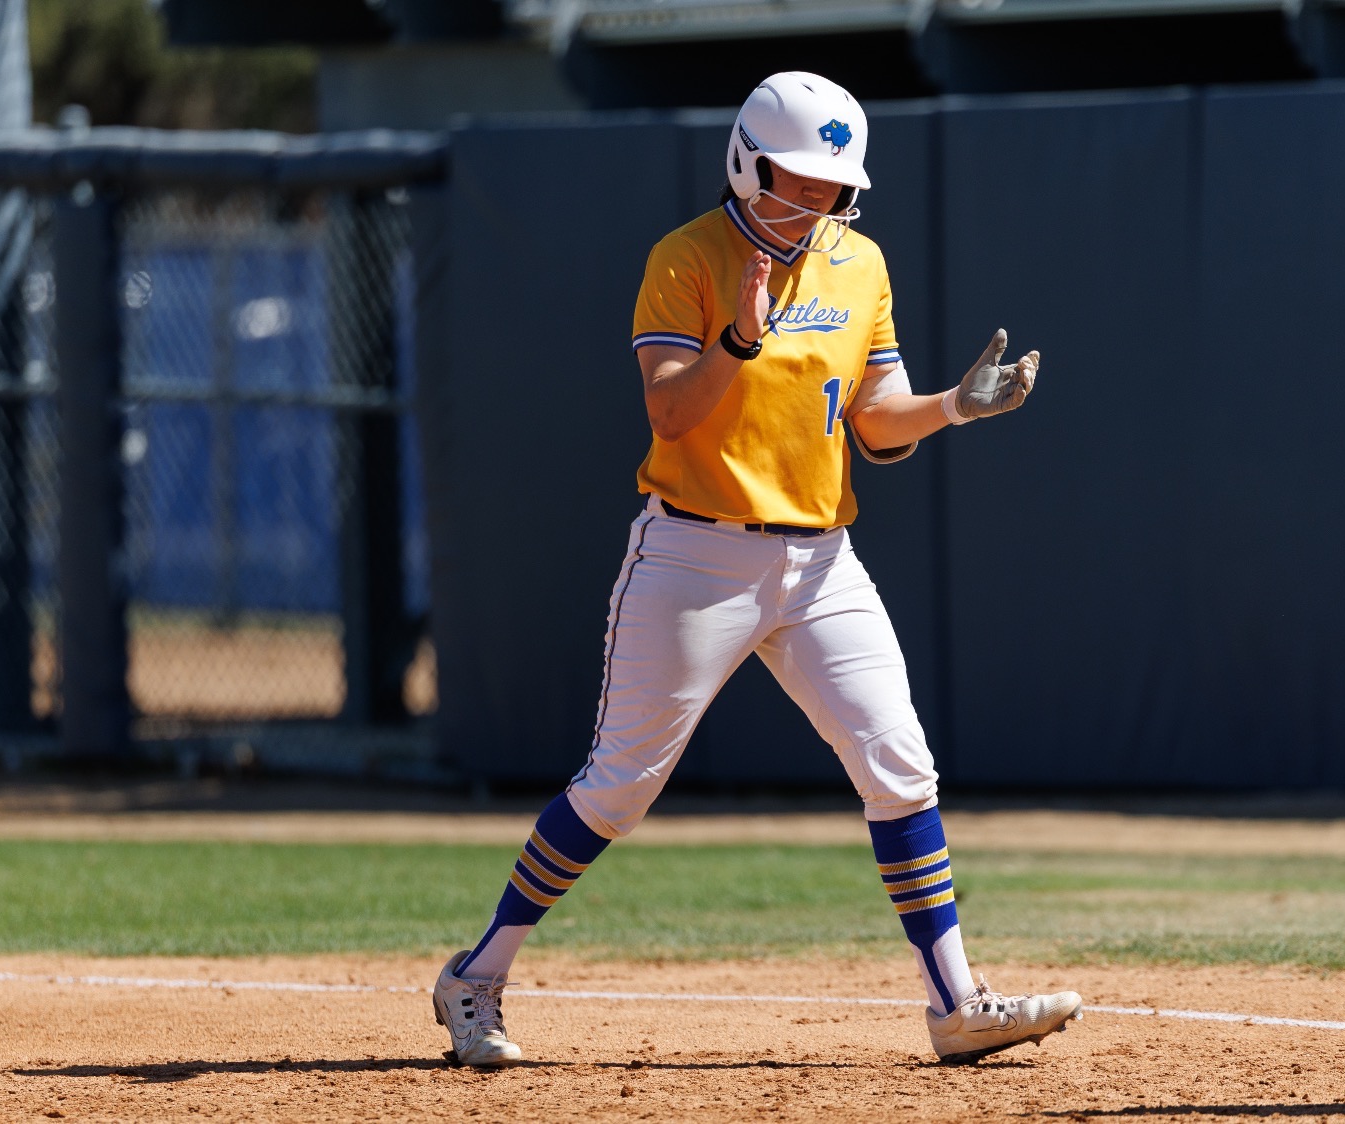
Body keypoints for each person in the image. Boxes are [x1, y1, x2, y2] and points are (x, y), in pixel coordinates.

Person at [431, 71, 1083, 1068]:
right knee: (620, 786)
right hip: (694, 553)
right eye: (797, 178)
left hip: (821, 559)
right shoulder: (688, 256)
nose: (817, 197)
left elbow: (876, 423)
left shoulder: (858, 262)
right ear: (747, 163)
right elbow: (669, 412)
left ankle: (957, 1004)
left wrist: (955, 405)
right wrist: (737, 337)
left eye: (832, 183)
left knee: (900, 765)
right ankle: (475, 976)